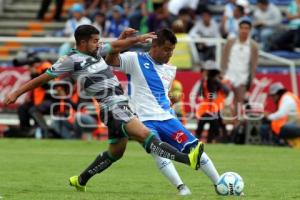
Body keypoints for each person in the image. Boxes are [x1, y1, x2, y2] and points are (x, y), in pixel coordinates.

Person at [4, 25, 204, 192]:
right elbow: (41, 78)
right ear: (82, 43)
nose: (98, 43)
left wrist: (135, 38)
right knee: (146, 135)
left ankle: (81, 180)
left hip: (119, 106)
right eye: (94, 40)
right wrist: (15, 93)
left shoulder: (97, 52)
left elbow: (117, 45)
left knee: (115, 153)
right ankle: (188, 159)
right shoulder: (70, 61)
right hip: (112, 107)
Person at [106, 28, 220, 195]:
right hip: (143, 120)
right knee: (159, 152)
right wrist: (123, 39)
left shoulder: (170, 69)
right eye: (167, 49)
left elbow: (160, 94)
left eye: (172, 50)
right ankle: (182, 187)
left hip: (167, 117)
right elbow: (110, 59)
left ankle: (220, 184)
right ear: (155, 46)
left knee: (195, 148)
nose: (170, 54)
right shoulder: (134, 59)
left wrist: (171, 99)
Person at [221, 17, 258, 123]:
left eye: (246, 28)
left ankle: (234, 127)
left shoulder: (253, 46)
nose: (244, 30)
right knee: (224, 102)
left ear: (250, 30)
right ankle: (223, 126)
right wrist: (222, 74)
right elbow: (223, 59)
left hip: (243, 78)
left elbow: (253, 65)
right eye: (242, 28)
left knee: (238, 104)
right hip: (228, 76)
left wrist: (250, 81)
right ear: (238, 29)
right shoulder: (231, 42)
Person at [195, 60, 229, 143]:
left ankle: (217, 139)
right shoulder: (205, 81)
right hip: (210, 107)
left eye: (205, 71)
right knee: (216, 124)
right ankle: (221, 139)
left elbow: (226, 91)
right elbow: (201, 93)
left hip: (213, 107)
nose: (203, 72)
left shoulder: (214, 80)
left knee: (211, 124)